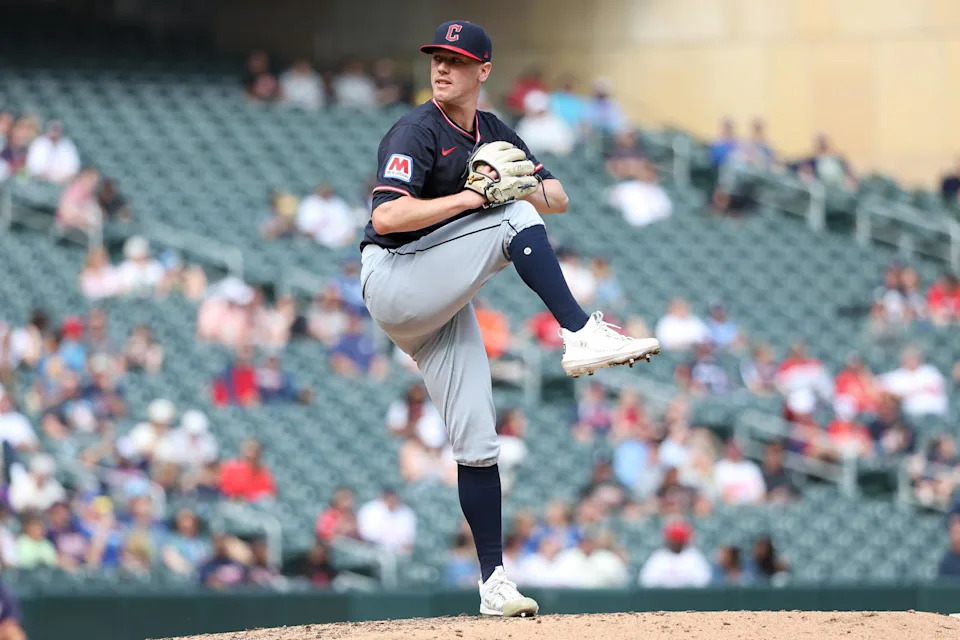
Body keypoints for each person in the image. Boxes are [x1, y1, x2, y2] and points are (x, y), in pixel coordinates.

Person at [360, 20, 659, 618]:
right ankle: (578, 333)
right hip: (393, 277)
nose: (442, 68)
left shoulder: (494, 131)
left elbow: (559, 197)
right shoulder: (416, 129)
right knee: (509, 220)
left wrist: (521, 183)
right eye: (437, 58)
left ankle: (494, 582)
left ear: (483, 71)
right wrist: (481, 197)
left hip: (439, 302)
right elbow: (389, 218)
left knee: (479, 442)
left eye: (456, 59)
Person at [639, 520, 711, 588]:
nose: (675, 543)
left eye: (678, 540)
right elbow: (646, 581)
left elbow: (703, 581)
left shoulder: (693, 556)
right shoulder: (659, 557)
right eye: (673, 539)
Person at [879, 348, 948, 417]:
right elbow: (879, 385)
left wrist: (908, 393)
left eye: (913, 358)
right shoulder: (897, 376)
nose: (911, 361)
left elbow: (935, 388)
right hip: (911, 416)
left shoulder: (929, 371)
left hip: (935, 413)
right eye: (908, 358)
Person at [514, 90, 575, 157]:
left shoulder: (557, 122)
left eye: (541, 111)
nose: (539, 114)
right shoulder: (524, 126)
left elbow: (567, 144)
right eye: (536, 111)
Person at [356, 488, 417, 554]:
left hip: (397, 552)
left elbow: (408, 541)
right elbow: (366, 534)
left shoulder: (406, 513)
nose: (392, 502)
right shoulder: (370, 509)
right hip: (372, 549)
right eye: (389, 500)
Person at [713, 439, 765, 505]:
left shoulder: (751, 468)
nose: (734, 450)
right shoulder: (719, 467)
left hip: (750, 509)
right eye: (732, 447)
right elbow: (718, 493)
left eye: (736, 447)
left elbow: (760, 494)